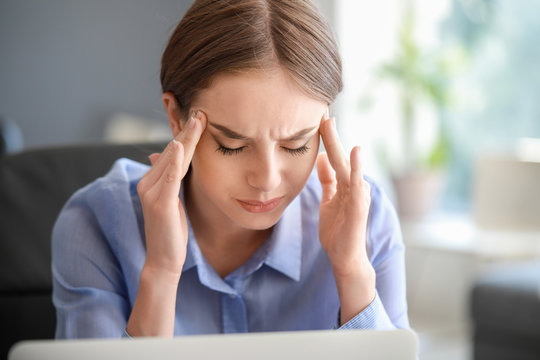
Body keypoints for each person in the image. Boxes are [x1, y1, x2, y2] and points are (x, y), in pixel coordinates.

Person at [52, 0, 410, 338]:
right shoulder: (94, 224)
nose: (267, 179)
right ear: (176, 117)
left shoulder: (368, 219)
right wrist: (160, 273)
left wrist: (353, 275)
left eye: (297, 144)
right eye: (232, 145)